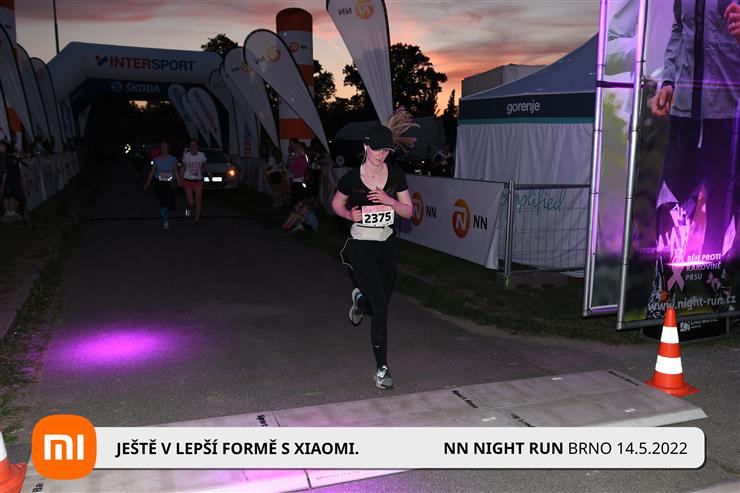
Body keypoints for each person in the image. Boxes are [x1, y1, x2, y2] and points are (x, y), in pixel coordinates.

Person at [331, 124, 413, 390]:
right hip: (361, 245)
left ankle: (360, 299)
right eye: (377, 149)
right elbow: (336, 204)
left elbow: (408, 211)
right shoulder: (351, 179)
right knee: (381, 307)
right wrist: (348, 214)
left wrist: (390, 201)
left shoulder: (396, 174)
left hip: (386, 245)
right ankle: (382, 369)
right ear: (366, 147)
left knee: (380, 301)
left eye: (386, 150)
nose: (381, 155)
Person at [144, 141, 180, 230]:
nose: (164, 148)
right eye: (162, 146)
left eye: (165, 146)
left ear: (168, 148)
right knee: (163, 203)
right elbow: (152, 172)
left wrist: (179, 181)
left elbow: (176, 171)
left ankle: (164, 211)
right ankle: (166, 221)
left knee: (171, 204)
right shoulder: (156, 160)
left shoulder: (173, 159)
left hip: (170, 183)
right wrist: (147, 183)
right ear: (160, 149)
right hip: (159, 183)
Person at [179, 139, 209, 227]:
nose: (193, 147)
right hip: (187, 180)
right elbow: (182, 168)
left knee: (198, 200)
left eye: (195, 145)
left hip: (198, 181)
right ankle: (187, 210)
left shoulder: (201, 155)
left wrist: (209, 173)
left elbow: (205, 165)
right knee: (191, 202)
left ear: (197, 146)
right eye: (191, 145)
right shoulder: (186, 155)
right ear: (190, 147)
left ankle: (196, 219)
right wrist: (180, 179)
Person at [288, 141, 310, 205]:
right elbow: (308, 166)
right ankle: (304, 209)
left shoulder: (298, 158)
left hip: (297, 180)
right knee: (302, 198)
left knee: (296, 200)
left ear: (300, 148)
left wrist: (292, 161)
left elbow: (291, 169)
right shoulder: (306, 157)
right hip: (304, 180)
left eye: (297, 147)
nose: (296, 148)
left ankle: (301, 211)